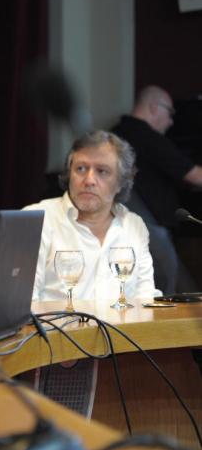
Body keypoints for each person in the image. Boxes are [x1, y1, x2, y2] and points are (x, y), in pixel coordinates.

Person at [24, 131, 161, 302]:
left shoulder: (134, 225)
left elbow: (145, 298)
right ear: (69, 174)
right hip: (55, 328)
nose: (89, 180)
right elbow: (22, 305)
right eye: (80, 169)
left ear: (121, 182)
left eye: (102, 171)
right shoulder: (36, 220)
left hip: (121, 328)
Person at [111, 85, 202, 228]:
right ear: (154, 107)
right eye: (170, 112)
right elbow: (196, 176)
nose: (171, 121)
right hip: (149, 228)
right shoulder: (147, 137)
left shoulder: (114, 133)